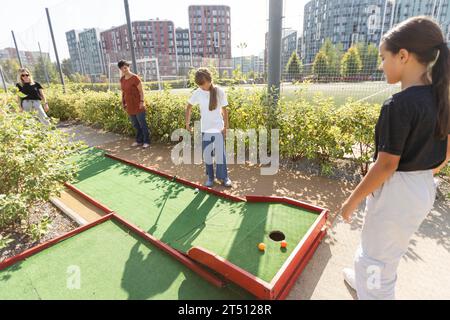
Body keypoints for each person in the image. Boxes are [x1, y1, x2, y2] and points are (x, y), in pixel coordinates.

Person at [339, 16, 450, 300]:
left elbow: (386, 164)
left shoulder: (398, 105)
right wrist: (419, 174)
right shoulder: (441, 97)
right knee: (386, 247)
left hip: (397, 191)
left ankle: (372, 291)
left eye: (383, 57)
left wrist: (351, 201)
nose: (380, 65)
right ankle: (364, 280)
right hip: (422, 188)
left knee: (375, 259)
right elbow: (444, 154)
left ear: (403, 55)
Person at [185, 68, 232, 188]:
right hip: (205, 129)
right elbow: (188, 107)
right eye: (199, 85)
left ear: (209, 80)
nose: (202, 87)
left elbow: (225, 110)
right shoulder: (198, 92)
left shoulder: (219, 91)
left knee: (220, 155)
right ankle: (210, 177)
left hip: (218, 129)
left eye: (203, 84)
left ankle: (224, 177)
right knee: (207, 155)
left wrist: (226, 126)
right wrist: (187, 123)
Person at [118, 60, 150, 149]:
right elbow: (123, 92)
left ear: (128, 67)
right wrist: (123, 102)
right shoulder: (122, 79)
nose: (124, 70)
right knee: (135, 125)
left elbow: (141, 91)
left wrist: (142, 102)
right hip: (129, 106)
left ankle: (146, 141)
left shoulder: (135, 78)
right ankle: (139, 140)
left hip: (138, 105)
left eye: (125, 67)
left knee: (142, 124)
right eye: (121, 68)